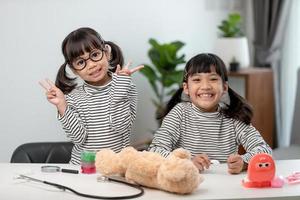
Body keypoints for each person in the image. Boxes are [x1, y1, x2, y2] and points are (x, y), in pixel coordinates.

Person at [148, 53, 272, 174]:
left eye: (213, 79)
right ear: (186, 88)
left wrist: (244, 162)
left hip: (224, 187)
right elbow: (155, 150)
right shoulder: (179, 113)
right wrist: (186, 162)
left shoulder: (233, 116)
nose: (206, 86)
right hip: (187, 186)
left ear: (224, 87)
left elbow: (265, 150)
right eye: (197, 80)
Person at [40, 27, 143, 164]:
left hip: (116, 167)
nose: (91, 65)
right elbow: (78, 138)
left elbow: (120, 126)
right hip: (83, 168)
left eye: (94, 55)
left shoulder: (127, 87)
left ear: (106, 53)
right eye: (81, 62)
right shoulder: (73, 97)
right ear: (74, 70)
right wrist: (62, 106)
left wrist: (119, 89)